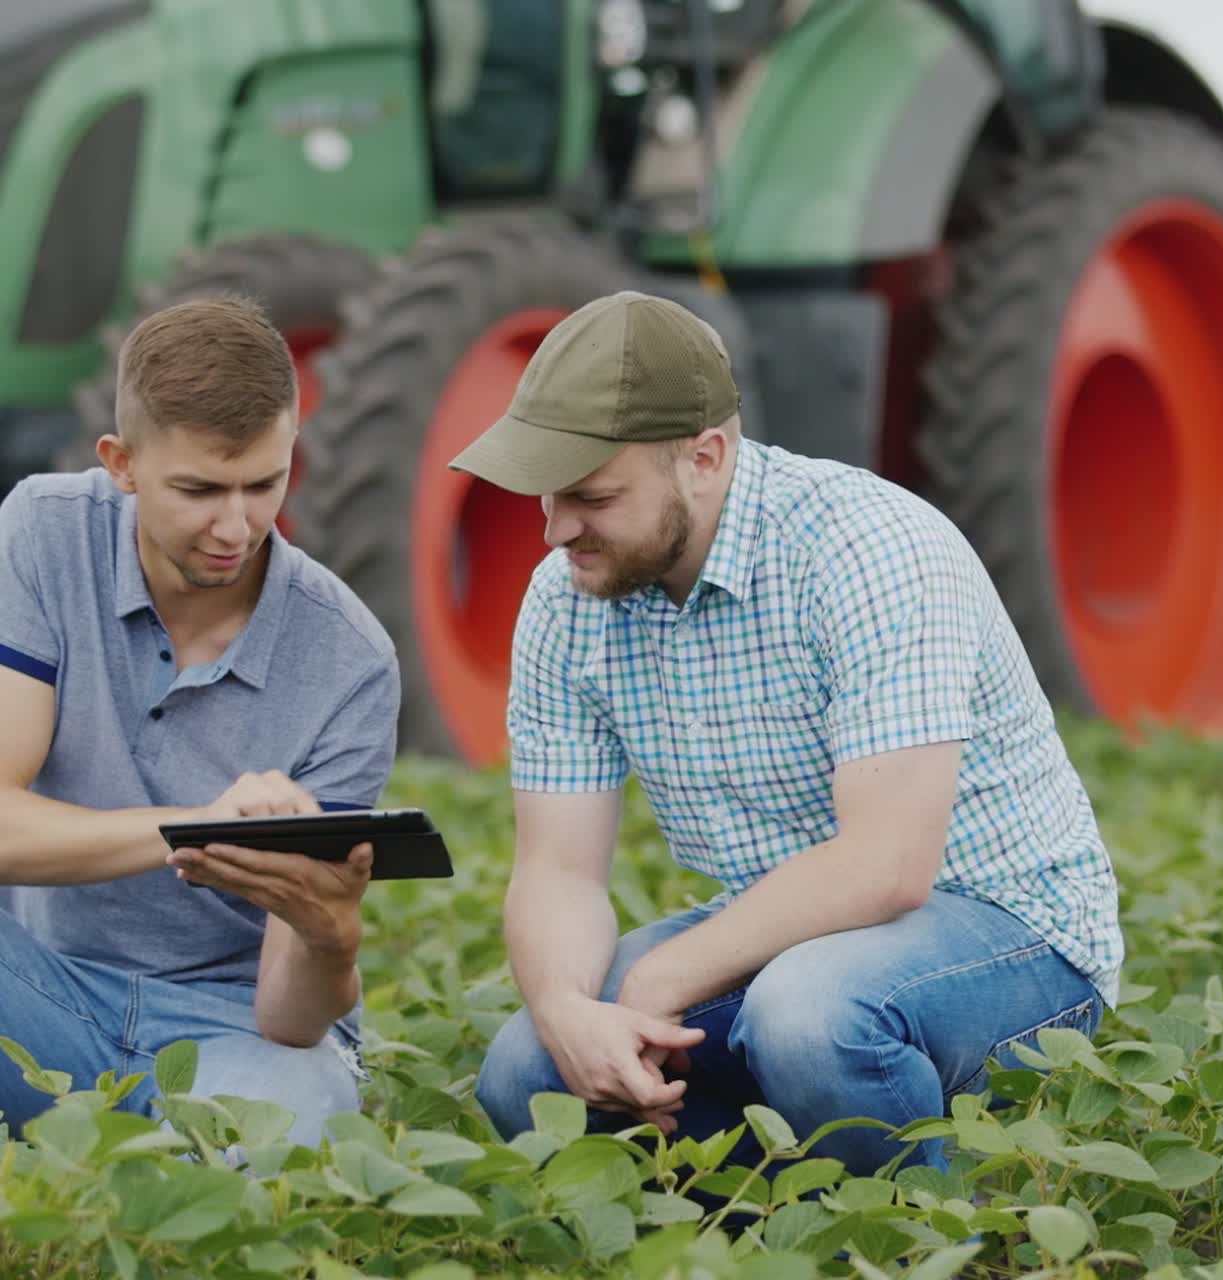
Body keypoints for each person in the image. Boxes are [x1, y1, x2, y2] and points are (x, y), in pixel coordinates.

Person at [454, 290, 1123, 1174]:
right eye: (547, 494)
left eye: (592, 495)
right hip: (787, 936)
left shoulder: (867, 546)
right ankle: (784, 1233)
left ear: (703, 458)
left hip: (1012, 933)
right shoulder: (569, 598)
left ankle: (924, 1243)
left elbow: (885, 868)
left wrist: (656, 985)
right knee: (526, 1074)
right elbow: (557, 872)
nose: (555, 528)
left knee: (808, 1017)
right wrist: (568, 1011)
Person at [0, 298, 399, 1143]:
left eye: (264, 484)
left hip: (234, 1028)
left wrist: (329, 935)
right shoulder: (44, 531)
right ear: (122, 463)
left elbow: (291, 1017)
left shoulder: (350, 661)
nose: (236, 526)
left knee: (285, 1136)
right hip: (41, 991)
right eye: (199, 489)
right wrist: (196, 832)